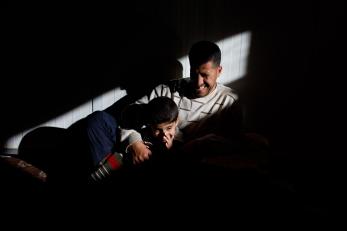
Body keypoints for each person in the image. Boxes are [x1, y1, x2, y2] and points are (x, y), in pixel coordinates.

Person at [89, 96, 181, 182]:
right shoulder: (144, 131)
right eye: (158, 129)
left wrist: (169, 148)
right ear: (150, 125)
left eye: (169, 128)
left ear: (176, 122)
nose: (164, 133)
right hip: (124, 158)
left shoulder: (178, 140)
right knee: (104, 170)